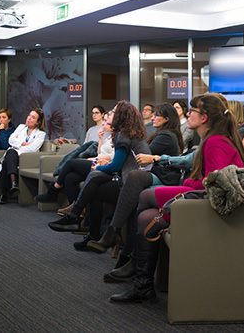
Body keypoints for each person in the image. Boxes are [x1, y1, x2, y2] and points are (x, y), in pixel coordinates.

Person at [109, 94, 244, 303]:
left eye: (192, 110)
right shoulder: (213, 140)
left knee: (146, 197)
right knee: (147, 213)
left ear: (203, 118)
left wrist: (187, 184)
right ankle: (140, 279)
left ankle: (134, 266)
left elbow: (215, 184)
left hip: (206, 207)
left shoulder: (215, 142)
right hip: (200, 201)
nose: (187, 114)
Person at [84, 103, 183, 256]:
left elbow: (144, 157)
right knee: (97, 180)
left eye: (157, 115)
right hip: (145, 174)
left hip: (159, 177)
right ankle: (108, 235)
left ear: (166, 119)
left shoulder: (165, 136)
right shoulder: (158, 134)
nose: (153, 118)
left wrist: (107, 162)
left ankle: (111, 235)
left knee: (120, 184)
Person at [47, 100, 151, 245]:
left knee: (95, 177)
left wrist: (99, 168)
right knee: (95, 183)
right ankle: (85, 228)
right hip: (133, 180)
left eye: (113, 112)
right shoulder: (129, 133)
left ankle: (76, 218)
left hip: (132, 186)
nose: (109, 114)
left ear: (120, 116)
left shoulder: (124, 135)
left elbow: (115, 166)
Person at [35, 113, 114, 205]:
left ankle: (53, 190)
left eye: (106, 122)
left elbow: (113, 156)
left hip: (102, 166)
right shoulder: (109, 137)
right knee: (70, 178)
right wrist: (100, 139)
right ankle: (73, 208)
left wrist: (95, 159)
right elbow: (100, 152)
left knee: (71, 163)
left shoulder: (118, 138)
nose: (103, 124)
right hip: (97, 161)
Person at [0, 108, 46, 204]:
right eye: (29, 116)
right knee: (10, 154)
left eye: (33, 117)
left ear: (38, 122)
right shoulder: (21, 127)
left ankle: (5, 193)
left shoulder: (41, 134)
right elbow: (10, 140)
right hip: (14, 157)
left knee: (10, 154)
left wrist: (18, 146)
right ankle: (13, 183)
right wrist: (22, 143)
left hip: (28, 159)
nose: (29, 118)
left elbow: (33, 149)